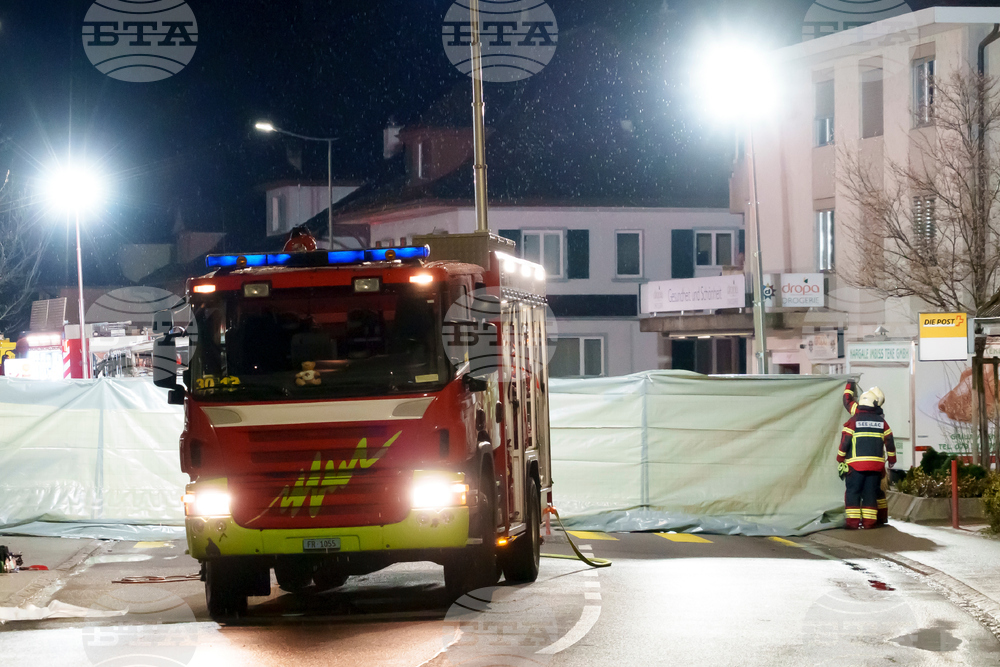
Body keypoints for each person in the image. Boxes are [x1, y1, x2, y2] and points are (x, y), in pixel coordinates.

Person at [838, 386, 895, 529]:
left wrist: (840, 458)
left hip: (856, 467)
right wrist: (892, 459)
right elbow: (889, 441)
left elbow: (845, 441)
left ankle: (853, 523)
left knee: (853, 492)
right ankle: (870, 522)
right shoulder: (881, 421)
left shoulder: (854, 419)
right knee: (870, 493)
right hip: (876, 467)